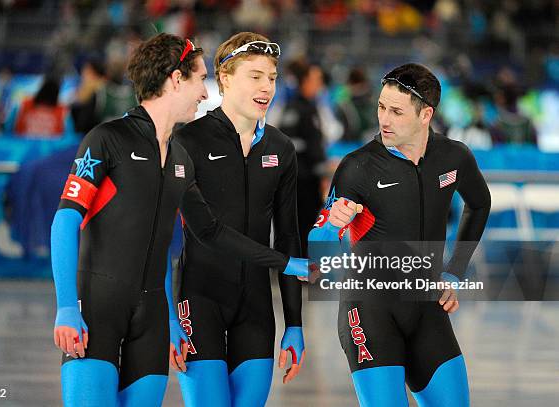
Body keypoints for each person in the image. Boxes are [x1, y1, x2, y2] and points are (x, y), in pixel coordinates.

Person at [51, 33, 309, 407]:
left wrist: (171, 318)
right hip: (99, 312)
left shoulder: (178, 156)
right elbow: (64, 222)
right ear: (176, 79)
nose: (204, 93)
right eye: (198, 80)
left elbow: (205, 231)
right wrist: (66, 307)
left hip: (154, 321)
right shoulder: (109, 139)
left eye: (271, 77)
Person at [310, 63, 491, 406]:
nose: (384, 119)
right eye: (381, 107)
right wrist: (332, 225)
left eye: (396, 111)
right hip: (369, 311)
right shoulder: (358, 166)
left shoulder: (453, 157)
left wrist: (454, 271)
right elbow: (317, 254)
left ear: (426, 115)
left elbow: (479, 205)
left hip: (426, 309)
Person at [174, 32, 305, 407]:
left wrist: (294, 322)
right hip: (200, 299)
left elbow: (288, 237)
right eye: (255, 76)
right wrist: (166, 318)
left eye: (273, 77)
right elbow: (186, 233)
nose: (267, 87)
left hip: (256, 306)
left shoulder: (280, 148)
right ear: (225, 78)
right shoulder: (190, 141)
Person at [279, 59, 326, 257]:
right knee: (300, 221)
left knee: (308, 221)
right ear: (305, 81)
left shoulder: (311, 106)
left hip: (309, 177)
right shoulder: (297, 108)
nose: (319, 84)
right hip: (299, 178)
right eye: (316, 79)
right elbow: (289, 141)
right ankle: (297, 263)